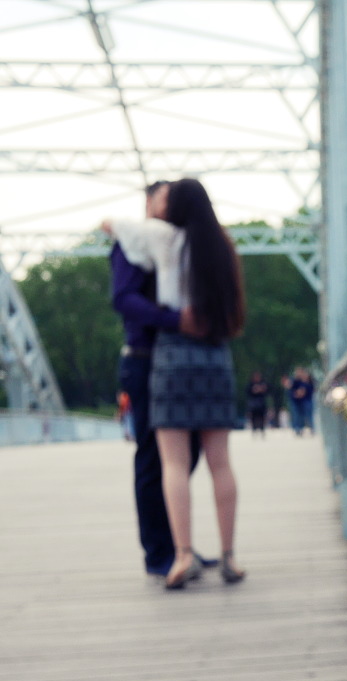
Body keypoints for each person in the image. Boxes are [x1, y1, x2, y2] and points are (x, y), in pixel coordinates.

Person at [105, 177, 247, 590]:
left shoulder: (159, 240)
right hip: (211, 355)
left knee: (171, 463)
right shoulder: (220, 245)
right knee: (209, 461)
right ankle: (215, 553)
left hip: (167, 356)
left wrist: (173, 320)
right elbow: (125, 296)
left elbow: (111, 225)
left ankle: (179, 553)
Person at [289, 366, 315, 435]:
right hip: (298, 401)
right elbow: (291, 390)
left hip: (306, 400)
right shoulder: (295, 381)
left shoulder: (306, 380)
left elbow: (309, 389)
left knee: (307, 415)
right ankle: (299, 429)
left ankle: (311, 428)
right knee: (299, 416)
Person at [246, 371, 269, 436]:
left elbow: (268, 390)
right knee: (253, 417)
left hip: (261, 403)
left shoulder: (263, 383)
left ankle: (262, 429)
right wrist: (254, 390)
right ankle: (254, 429)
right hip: (253, 404)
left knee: (262, 417)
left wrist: (262, 389)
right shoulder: (250, 384)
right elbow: (248, 392)